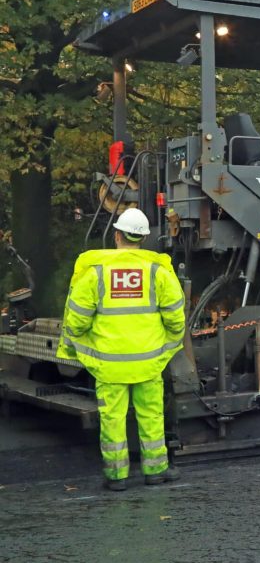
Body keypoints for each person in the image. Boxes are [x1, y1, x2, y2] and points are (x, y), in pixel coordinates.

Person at [57, 208, 186, 491]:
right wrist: (165, 343)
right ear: (142, 239)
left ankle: (117, 478)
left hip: (109, 365)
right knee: (151, 415)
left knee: (113, 418)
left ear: (116, 235)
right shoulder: (158, 272)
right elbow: (176, 318)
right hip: (148, 362)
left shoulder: (95, 273)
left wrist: (85, 342)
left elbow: (76, 321)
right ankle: (155, 471)